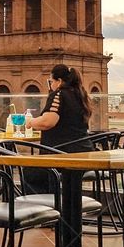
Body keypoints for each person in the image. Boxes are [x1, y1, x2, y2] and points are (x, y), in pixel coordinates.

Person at [23, 64, 93, 194]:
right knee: (40, 171)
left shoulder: (59, 94)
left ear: (59, 81)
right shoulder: (81, 95)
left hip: (62, 154)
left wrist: (30, 122)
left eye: (51, 81)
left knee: (29, 172)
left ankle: (47, 208)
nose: (50, 85)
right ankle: (63, 207)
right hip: (84, 153)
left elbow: (48, 121)